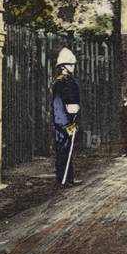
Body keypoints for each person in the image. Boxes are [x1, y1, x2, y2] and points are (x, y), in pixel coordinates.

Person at [51, 47, 80, 186]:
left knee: (69, 149)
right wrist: (65, 124)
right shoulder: (59, 83)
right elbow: (58, 105)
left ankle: (69, 178)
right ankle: (62, 179)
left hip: (71, 119)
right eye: (69, 64)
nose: (72, 67)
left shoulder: (71, 81)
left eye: (73, 64)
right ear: (62, 66)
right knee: (62, 149)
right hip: (63, 122)